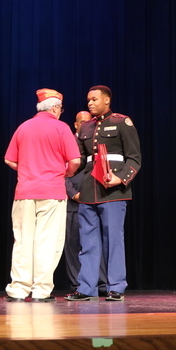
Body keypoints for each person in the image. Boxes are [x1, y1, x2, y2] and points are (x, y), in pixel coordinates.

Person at [4, 89, 81, 302]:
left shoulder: (23, 127)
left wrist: (27, 169)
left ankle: (18, 290)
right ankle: (41, 291)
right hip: (52, 191)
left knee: (22, 240)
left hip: (25, 191)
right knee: (47, 241)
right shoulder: (61, 128)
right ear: (55, 108)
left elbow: (9, 159)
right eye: (61, 109)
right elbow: (75, 160)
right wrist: (66, 172)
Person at [65, 85, 141, 301]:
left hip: (113, 192)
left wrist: (121, 178)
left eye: (94, 99)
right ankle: (86, 287)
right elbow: (80, 161)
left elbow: (134, 158)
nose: (90, 103)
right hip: (89, 192)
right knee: (87, 242)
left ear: (107, 100)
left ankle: (116, 286)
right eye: (88, 100)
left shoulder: (122, 122)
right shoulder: (86, 127)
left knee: (113, 240)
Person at [63, 110, 108, 293]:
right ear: (76, 125)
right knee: (73, 246)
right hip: (73, 202)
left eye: (89, 122)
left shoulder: (96, 142)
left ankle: (102, 284)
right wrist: (73, 194)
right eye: (82, 122)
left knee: (94, 243)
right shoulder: (68, 142)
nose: (86, 125)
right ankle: (78, 285)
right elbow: (60, 171)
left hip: (94, 199)